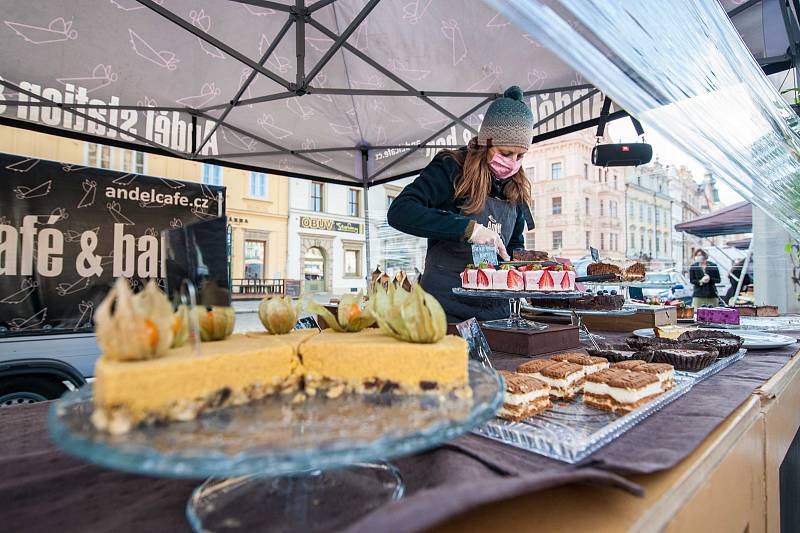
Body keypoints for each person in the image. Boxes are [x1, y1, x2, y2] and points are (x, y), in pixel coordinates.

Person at [387, 86, 533, 322]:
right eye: (505, 153)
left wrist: (521, 267)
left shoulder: (515, 185)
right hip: (443, 311)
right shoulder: (451, 168)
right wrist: (469, 229)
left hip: (495, 314)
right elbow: (400, 211)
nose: (512, 163)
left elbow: (514, 243)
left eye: (520, 156)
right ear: (486, 142)